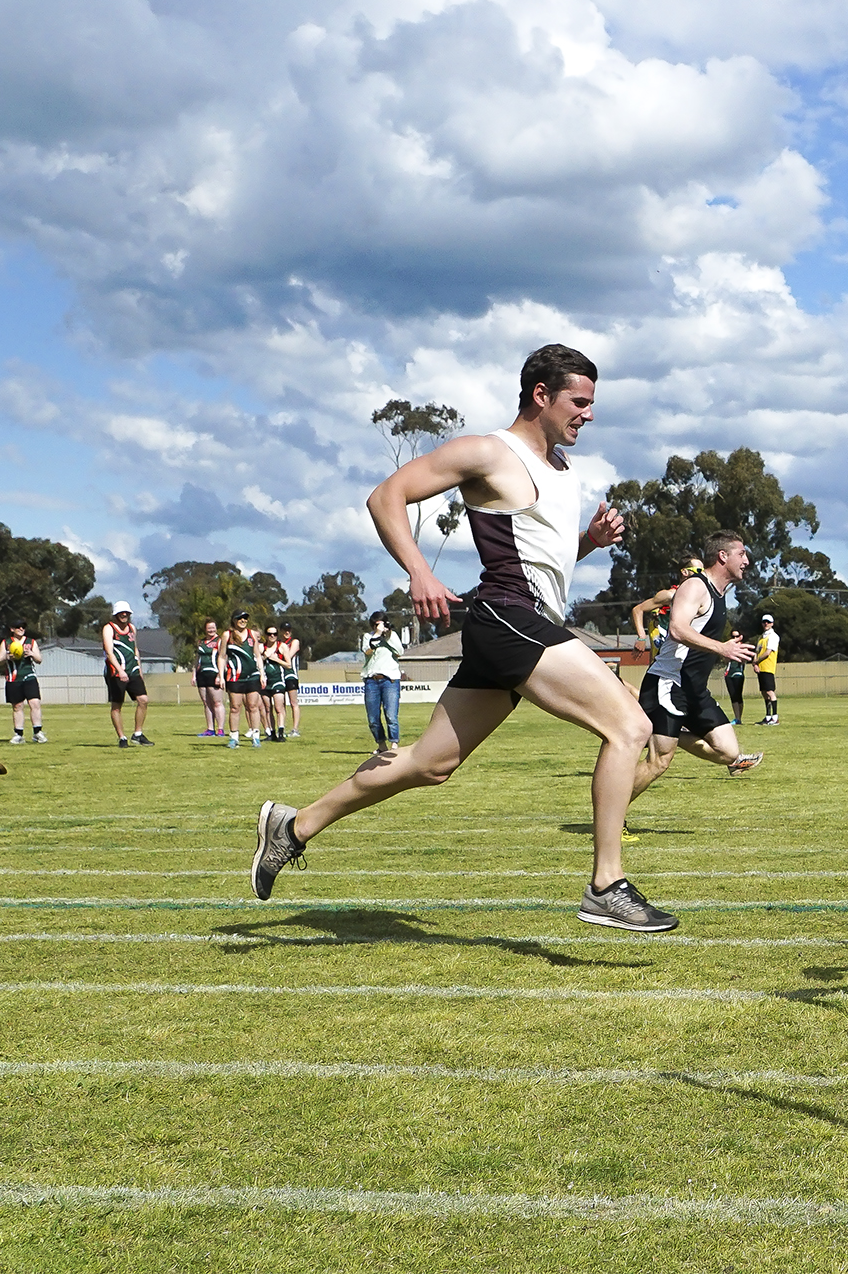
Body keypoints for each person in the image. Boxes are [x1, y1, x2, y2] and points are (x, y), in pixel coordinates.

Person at [251, 343, 675, 934]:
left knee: (429, 764)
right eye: (580, 401)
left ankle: (292, 828)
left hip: (522, 622)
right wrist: (419, 571)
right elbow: (385, 497)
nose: (589, 414)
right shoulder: (486, 451)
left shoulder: (561, 469)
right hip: (509, 617)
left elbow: (540, 559)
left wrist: (588, 543)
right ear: (541, 396)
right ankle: (607, 883)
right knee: (630, 726)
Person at [633, 531, 763, 796]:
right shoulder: (695, 586)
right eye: (742, 553)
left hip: (694, 690)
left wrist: (725, 645)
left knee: (729, 753)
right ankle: (611, 817)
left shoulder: (720, 592)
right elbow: (678, 630)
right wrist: (722, 648)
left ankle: (659, 730)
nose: (747, 560)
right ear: (722, 556)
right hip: (669, 682)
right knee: (659, 761)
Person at [103, 601, 152, 747]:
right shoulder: (109, 629)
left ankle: (138, 734)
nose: (124, 615)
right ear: (116, 614)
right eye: (121, 612)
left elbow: (135, 649)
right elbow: (109, 652)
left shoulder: (132, 628)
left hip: (133, 670)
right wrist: (119, 670)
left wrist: (139, 668)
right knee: (117, 705)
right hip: (116, 672)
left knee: (143, 700)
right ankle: (122, 737)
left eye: (127, 613)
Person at [359, 611, 406, 753]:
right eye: (375, 625)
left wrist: (388, 636)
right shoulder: (368, 636)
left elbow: (399, 652)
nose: (378, 627)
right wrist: (377, 635)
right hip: (371, 681)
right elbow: (367, 650)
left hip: (390, 680)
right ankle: (381, 745)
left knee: (391, 715)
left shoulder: (393, 636)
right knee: (373, 717)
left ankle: (394, 745)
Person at [223, 613, 265, 748]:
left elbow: (258, 655)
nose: (243, 621)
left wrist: (262, 674)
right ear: (234, 620)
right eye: (240, 618)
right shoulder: (227, 635)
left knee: (253, 706)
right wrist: (220, 675)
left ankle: (256, 737)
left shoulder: (252, 634)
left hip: (252, 675)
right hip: (234, 676)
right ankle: (234, 738)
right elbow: (222, 656)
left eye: (245, 618)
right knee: (235, 707)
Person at [1, 620, 45, 743]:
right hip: (13, 678)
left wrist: (31, 653)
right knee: (17, 706)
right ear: (12, 629)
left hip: (29, 676)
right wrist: (7, 657)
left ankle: (37, 732)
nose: (21, 629)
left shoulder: (31, 642)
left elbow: (39, 659)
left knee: (35, 703)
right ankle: (18, 734)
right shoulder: (6, 643)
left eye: (23, 627)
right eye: (18, 627)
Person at [193, 619, 225, 737]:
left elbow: (223, 657)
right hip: (202, 674)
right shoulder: (201, 642)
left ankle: (220, 729)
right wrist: (194, 675)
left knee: (217, 702)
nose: (211, 630)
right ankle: (210, 729)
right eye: (209, 628)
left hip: (214, 673)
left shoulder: (220, 641)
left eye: (213, 627)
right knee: (206, 703)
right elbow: (197, 659)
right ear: (205, 629)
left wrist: (220, 675)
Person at [275, 623, 304, 738]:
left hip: (291, 675)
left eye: (289, 630)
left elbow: (289, 655)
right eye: (285, 630)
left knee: (293, 702)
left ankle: (295, 729)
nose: (287, 632)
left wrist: (275, 657)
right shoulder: (278, 644)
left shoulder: (294, 642)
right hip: (279, 676)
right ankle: (282, 728)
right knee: (280, 704)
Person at [755, 613, 781, 724]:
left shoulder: (773, 636)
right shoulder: (761, 637)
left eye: (768, 622)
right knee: (764, 692)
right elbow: (757, 651)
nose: (766, 624)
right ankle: (767, 716)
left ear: (772, 623)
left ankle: (775, 717)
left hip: (768, 667)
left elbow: (767, 652)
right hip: (760, 668)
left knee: (770, 692)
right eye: (764, 622)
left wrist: (756, 661)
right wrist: (755, 664)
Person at [722, 635, 747, 724]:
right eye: (733, 636)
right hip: (729, 674)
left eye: (737, 636)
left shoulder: (744, 649)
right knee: (733, 696)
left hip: (738, 674)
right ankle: (737, 717)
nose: (735, 638)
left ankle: (739, 717)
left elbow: (744, 660)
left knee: (738, 696)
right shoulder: (729, 648)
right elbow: (725, 660)